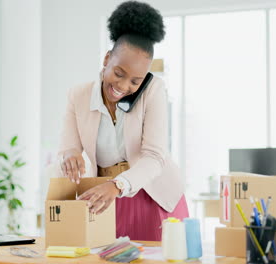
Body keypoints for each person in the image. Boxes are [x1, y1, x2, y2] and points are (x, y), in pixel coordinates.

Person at [58, 1, 188, 241]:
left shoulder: (154, 90)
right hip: (106, 196)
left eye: (135, 81)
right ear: (107, 59)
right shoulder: (78, 95)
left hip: (152, 193)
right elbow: (68, 146)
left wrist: (117, 186)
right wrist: (70, 155)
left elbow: (154, 156)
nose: (123, 86)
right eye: (119, 73)